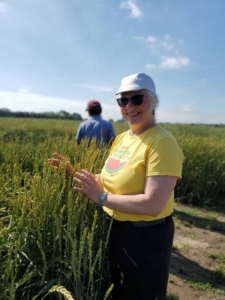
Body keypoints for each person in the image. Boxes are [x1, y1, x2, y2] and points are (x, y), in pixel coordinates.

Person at [48, 72, 184, 300]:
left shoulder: (162, 143)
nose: (129, 106)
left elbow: (153, 203)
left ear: (154, 101)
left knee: (143, 294)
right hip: (116, 230)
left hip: (146, 237)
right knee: (120, 291)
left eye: (137, 99)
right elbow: (108, 178)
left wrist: (102, 198)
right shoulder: (122, 139)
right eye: (123, 100)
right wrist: (72, 173)